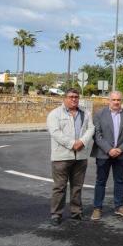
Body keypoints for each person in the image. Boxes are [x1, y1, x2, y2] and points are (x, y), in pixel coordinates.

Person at [46, 89, 94, 225]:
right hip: (61, 156)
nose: (74, 99)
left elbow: (91, 129)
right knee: (59, 187)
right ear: (65, 98)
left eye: (76, 97)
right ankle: (56, 214)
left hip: (80, 156)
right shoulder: (55, 114)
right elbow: (55, 132)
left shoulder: (86, 113)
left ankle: (76, 212)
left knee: (77, 187)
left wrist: (82, 142)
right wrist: (73, 144)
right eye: (71, 97)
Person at [90, 91, 123, 220]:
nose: (116, 102)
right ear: (109, 100)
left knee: (120, 181)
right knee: (100, 181)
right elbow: (97, 134)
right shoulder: (99, 114)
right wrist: (109, 149)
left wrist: (120, 149)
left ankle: (119, 206)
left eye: (118, 100)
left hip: (121, 154)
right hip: (104, 154)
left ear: (122, 101)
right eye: (113, 100)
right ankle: (97, 208)